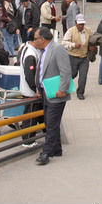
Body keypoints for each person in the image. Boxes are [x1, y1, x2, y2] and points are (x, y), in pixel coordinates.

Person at [34, 27, 72, 165]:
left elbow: (66, 71)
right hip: (46, 92)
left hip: (56, 93)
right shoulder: (42, 51)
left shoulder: (57, 49)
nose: (34, 41)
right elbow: (42, 71)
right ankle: (56, 149)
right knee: (51, 122)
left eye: (35, 38)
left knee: (51, 124)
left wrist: (63, 89)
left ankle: (46, 152)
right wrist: (39, 87)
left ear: (42, 39)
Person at [19, 29, 43, 148]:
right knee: (30, 116)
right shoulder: (30, 54)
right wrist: (36, 90)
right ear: (34, 40)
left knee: (34, 115)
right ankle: (28, 140)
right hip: (31, 92)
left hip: (30, 90)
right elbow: (30, 75)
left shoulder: (27, 48)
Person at [62, 13, 92, 100]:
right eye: (79, 24)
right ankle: (64, 88)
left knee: (83, 76)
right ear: (75, 23)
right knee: (72, 74)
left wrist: (92, 46)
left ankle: (80, 92)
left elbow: (92, 39)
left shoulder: (88, 30)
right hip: (73, 57)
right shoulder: (70, 31)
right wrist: (73, 45)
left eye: (83, 24)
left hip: (84, 58)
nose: (81, 26)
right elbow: (63, 43)